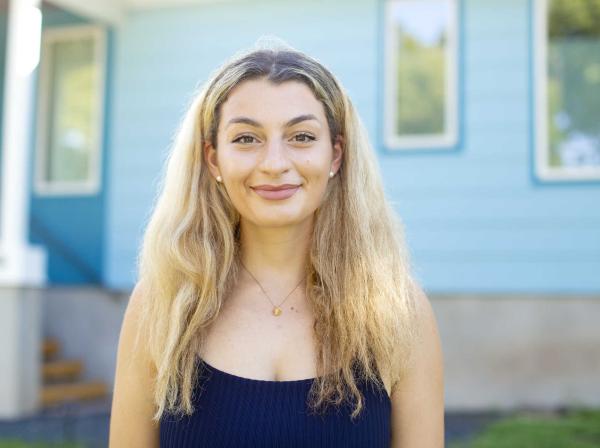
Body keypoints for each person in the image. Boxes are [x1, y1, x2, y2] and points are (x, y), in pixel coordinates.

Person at [109, 38, 444, 447]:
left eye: (301, 137)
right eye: (247, 139)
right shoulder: (161, 304)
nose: (274, 164)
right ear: (214, 159)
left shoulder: (397, 311)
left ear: (335, 156)